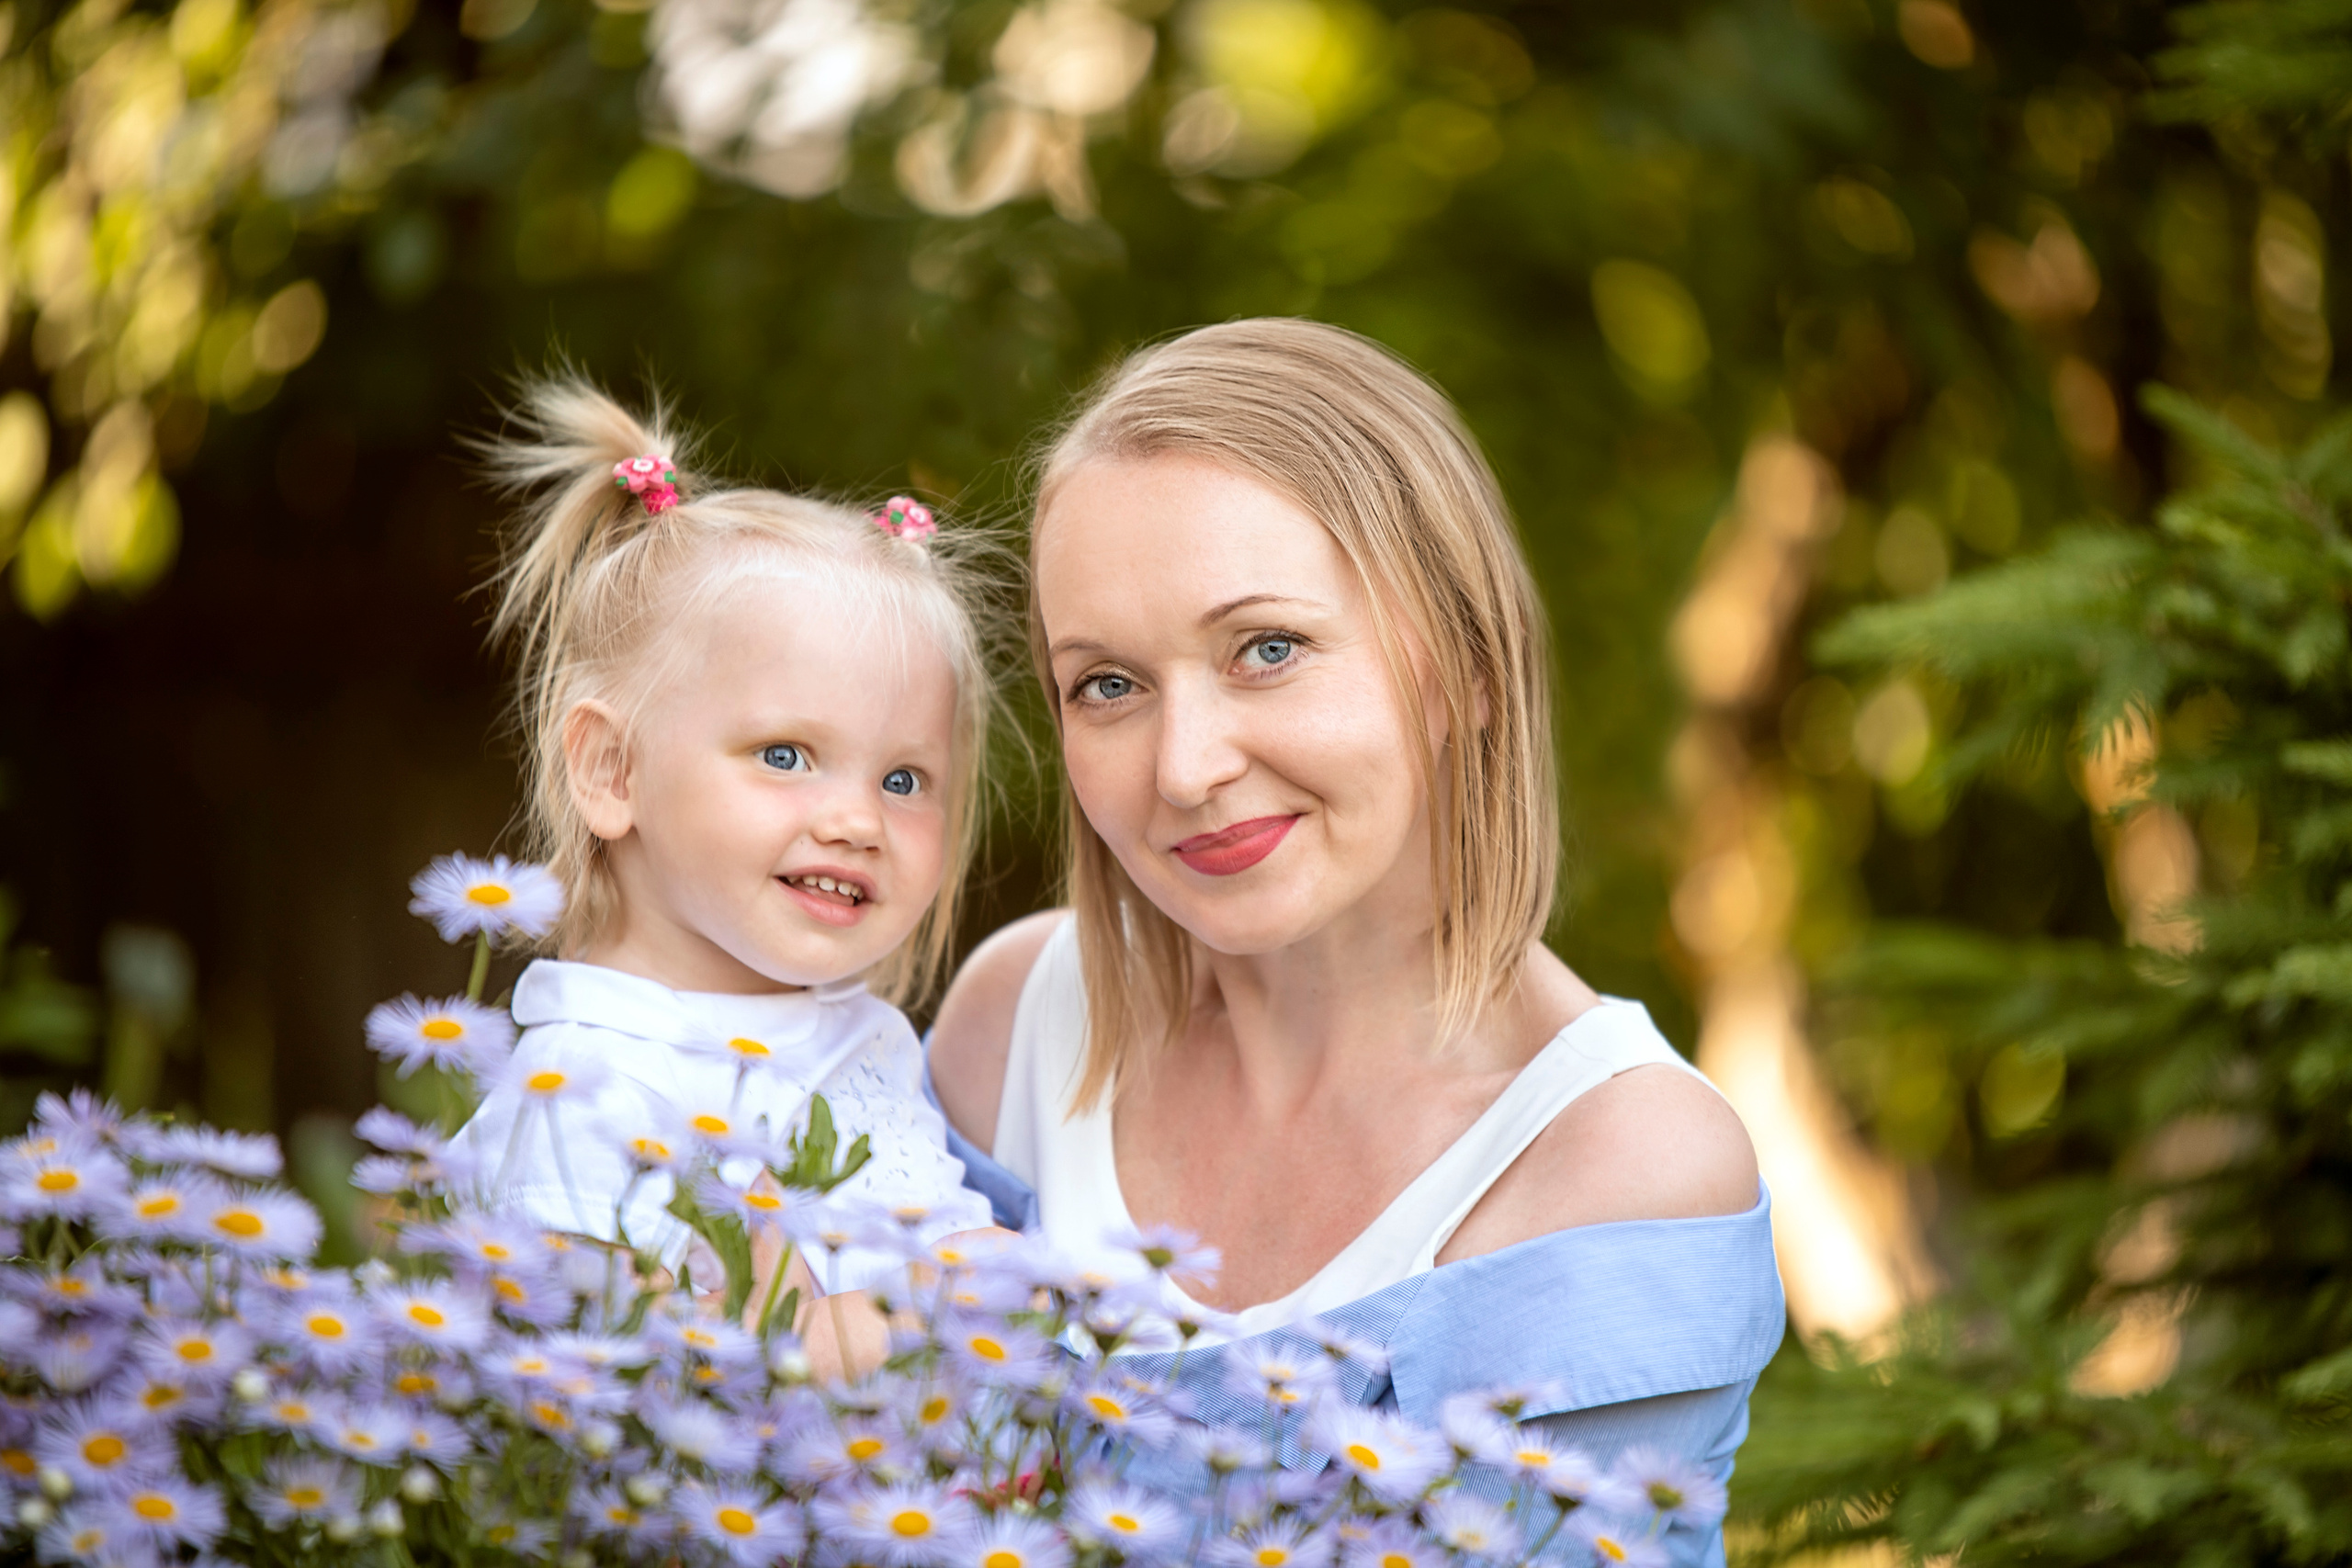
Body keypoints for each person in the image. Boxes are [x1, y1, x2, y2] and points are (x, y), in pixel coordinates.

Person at [927, 320, 1784, 1564]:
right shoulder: (1017, 1019)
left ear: (1465, 667)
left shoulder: (1611, 1167)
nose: (1187, 765)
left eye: (1266, 649)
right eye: (1108, 683)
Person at [450, 380, 996, 1309]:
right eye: (785, 755)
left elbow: (963, 1266)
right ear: (612, 772)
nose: (858, 821)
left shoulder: (861, 1046)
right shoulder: (583, 1097)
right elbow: (650, 1387)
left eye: (902, 781)